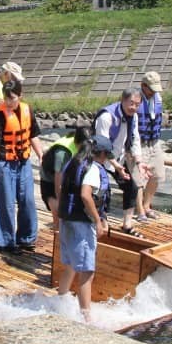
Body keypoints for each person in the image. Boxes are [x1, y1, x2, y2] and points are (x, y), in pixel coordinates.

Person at [55, 135, 113, 322]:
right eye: (106, 155)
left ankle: (59, 303)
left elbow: (60, 183)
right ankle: (86, 318)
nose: (106, 159)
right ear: (101, 154)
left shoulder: (73, 163)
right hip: (81, 224)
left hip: (67, 220)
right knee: (87, 271)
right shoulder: (94, 169)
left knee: (71, 264)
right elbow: (86, 195)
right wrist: (97, 220)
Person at [0, 80, 44, 253]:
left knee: (27, 200)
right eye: (6, 98)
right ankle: (6, 242)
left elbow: (33, 135)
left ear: (20, 96)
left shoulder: (27, 109)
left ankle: (26, 238)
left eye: (12, 98)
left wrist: (40, 154)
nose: (9, 102)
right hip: (4, 162)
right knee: (7, 202)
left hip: (24, 162)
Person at [94, 89, 143, 234]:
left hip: (119, 159)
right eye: (131, 103)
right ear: (123, 100)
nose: (133, 107)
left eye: (137, 104)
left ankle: (127, 225)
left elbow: (135, 138)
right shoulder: (107, 117)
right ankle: (102, 223)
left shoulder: (133, 117)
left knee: (131, 187)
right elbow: (102, 144)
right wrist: (115, 166)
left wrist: (139, 161)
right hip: (100, 158)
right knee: (103, 191)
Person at [41, 126, 92, 223]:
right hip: (50, 175)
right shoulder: (62, 152)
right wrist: (62, 205)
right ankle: (57, 226)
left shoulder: (85, 142)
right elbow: (58, 185)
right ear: (78, 143)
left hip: (67, 171)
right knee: (55, 201)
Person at [136, 71, 166, 221]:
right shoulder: (135, 99)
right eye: (151, 89)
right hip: (140, 143)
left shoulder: (157, 98)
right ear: (143, 86)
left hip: (154, 142)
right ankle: (140, 210)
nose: (154, 92)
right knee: (139, 179)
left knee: (157, 176)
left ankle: (147, 206)